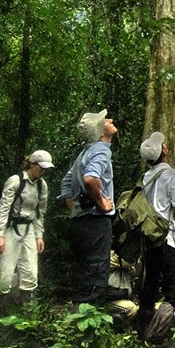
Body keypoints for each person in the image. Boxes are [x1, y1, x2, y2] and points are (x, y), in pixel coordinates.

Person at [60, 108, 119, 305]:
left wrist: (75, 208)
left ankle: (76, 320)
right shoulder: (101, 150)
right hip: (95, 222)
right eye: (105, 120)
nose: (110, 120)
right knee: (96, 272)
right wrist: (101, 203)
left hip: (80, 222)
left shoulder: (83, 154)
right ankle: (88, 328)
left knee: (84, 271)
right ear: (101, 132)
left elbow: (66, 183)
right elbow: (90, 179)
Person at [137, 130, 175, 336]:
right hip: (167, 237)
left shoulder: (145, 177)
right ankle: (161, 334)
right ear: (164, 151)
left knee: (149, 286)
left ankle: (142, 330)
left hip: (148, 239)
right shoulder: (172, 175)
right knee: (173, 288)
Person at [0, 150, 54, 304]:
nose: (43, 171)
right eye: (41, 167)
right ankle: (0, 311)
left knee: (30, 272)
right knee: (4, 271)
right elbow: (3, 208)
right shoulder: (15, 181)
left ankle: (26, 311)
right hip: (10, 228)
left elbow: (40, 212)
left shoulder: (42, 186)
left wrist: (39, 236)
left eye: (46, 168)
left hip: (29, 229)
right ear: (32, 164)